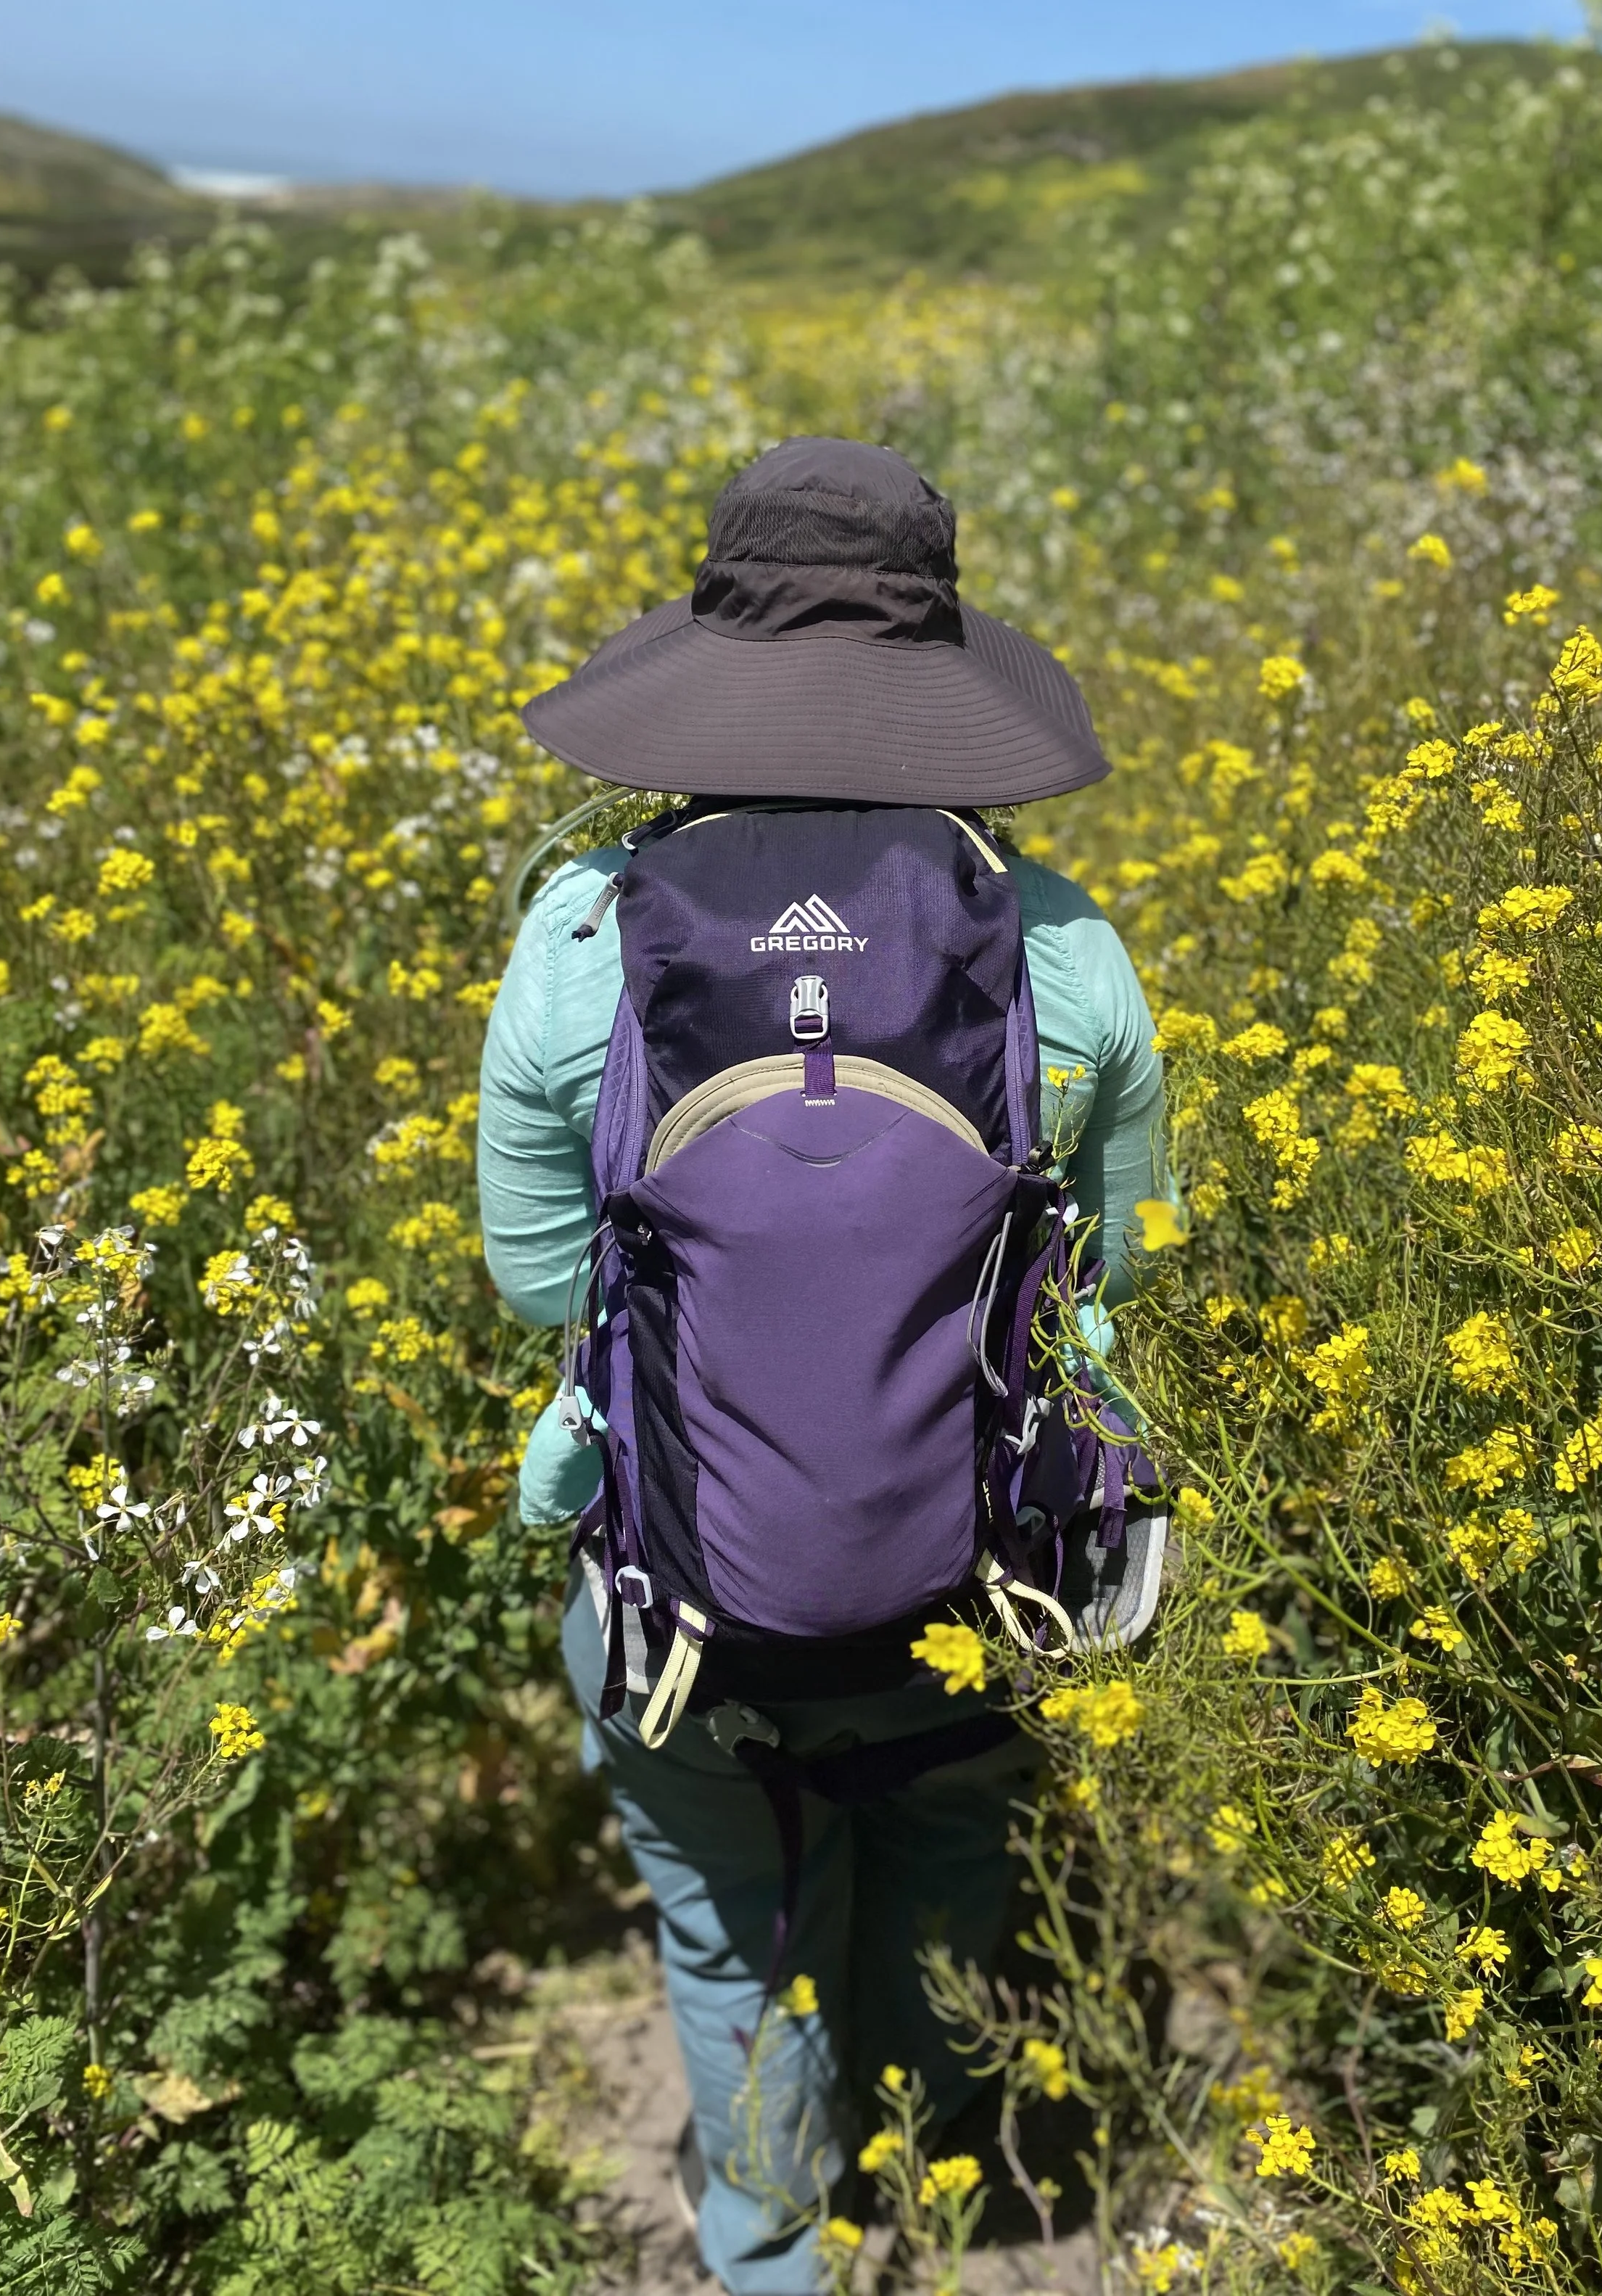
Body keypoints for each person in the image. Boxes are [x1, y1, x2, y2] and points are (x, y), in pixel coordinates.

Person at [477, 437, 1163, 2293]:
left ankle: (772, 2249)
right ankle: (941, 2189)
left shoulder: (576, 944)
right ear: (940, 687)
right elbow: (1110, 1285)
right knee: (950, 1860)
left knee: (727, 1943)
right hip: (978, 1583)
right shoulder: (1058, 948)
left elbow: (539, 1273)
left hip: (676, 1600)